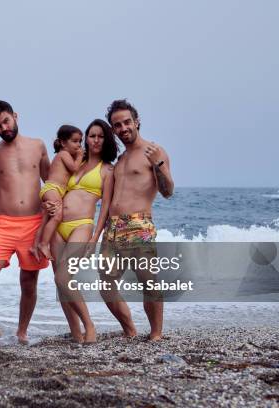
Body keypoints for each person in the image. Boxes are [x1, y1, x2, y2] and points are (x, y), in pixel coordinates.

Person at [0, 100, 51, 347]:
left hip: (34, 223)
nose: (3, 128)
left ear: (15, 116)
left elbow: (51, 181)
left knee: (29, 282)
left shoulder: (38, 145)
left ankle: (21, 332)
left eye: (6, 121)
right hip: (5, 223)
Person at [102, 99, 174, 341]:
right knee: (105, 284)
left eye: (127, 122)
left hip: (138, 225)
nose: (123, 128)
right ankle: (130, 330)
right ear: (113, 129)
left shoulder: (154, 151)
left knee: (148, 281)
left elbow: (167, 191)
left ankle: (156, 334)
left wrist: (159, 166)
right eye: (117, 125)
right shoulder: (120, 159)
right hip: (113, 228)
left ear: (137, 121)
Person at [49, 119, 117, 343]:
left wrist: (95, 237)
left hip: (82, 225)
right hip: (57, 224)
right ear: (86, 138)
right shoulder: (75, 160)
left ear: (106, 140)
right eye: (92, 136)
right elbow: (54, 182)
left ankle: (89, 326)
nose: (95, 140)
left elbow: (105, 207)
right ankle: (76, 332)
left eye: (100, 136)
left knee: (63, 277)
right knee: (60, 283)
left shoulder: (107, 170)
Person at [33, 125, 84, 260]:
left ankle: (34, 245)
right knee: (57, 216)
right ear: (62, 142)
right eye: (75, 141)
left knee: (45, 219)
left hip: (55, 190)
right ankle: (44, 244)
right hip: (52, 188)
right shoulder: (64, 154)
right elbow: (74, 168)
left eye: (80, 141)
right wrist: (80, 156)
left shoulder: (66, 155)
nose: (79, 145)